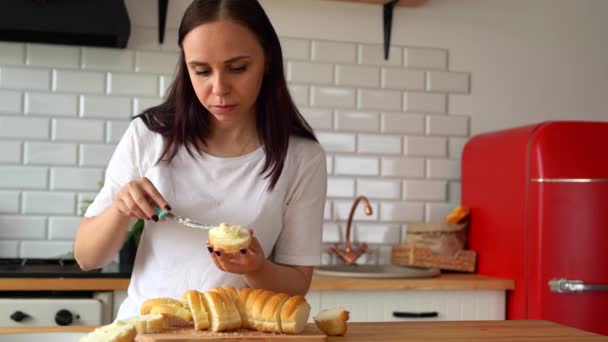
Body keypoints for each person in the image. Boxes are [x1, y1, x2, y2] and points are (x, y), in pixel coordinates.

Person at [73, 0, 327, 320]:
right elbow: (87, 257)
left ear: (268, 61)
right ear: (186, 67)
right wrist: (121, 209)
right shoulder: (149, 136)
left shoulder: (302, 158)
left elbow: (297, 285)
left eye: (237, 68)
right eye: (202, 70)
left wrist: (257, 268)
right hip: (147, 332)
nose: (219, 88)